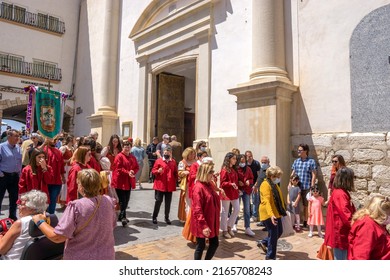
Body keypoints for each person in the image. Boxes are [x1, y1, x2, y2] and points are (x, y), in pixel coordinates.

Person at [32, 169, 116, 260]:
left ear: (81, 187)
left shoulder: (76, 206)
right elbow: (111, 225)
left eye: (78, 183)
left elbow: (57, 237)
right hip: (107, 256)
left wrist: (40, 221)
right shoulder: (108, 201)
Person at [0, 190, 48, 260]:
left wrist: (1, 236)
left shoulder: (21, 223)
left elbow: (2, 249)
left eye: (22, 205)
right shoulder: (46, 219)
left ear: (31, 208)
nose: (18, 207)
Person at [324, 167, 356, 260]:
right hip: (340, 233)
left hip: (341, 231)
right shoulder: (340, 194)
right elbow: (346, 214)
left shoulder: (341, 192)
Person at [191, 161, 220, 260]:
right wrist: (203, 226)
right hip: (202, 222)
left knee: (214, 243)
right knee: (201, 246)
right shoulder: (198, 188)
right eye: (211, 171)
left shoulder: (209, 184)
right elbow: (197, 209)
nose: (213, 173)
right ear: (205, 172)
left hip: (211, 219)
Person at [348, 195, 390, 260]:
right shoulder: (367, 226)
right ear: (380, 213)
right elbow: (360, 256)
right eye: (388, 214)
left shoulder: (378, 223)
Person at [258, 166, 286, 260]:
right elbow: (266, 201)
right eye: (277, 176)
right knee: (273, 235)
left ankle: (264, 242)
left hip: (276, 213)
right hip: (268, 214)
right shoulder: (265, 185)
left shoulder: (274, 184)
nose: (278, 178)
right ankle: (270, 257)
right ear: (272, 176)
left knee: (279, 231)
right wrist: (271, 215)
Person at [111, 140, 139, 226]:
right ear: (122, 147)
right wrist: (128, 172)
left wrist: (132, 172)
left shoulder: (132, 157)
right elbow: (118, 168)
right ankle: (123, 217)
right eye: (125, 147)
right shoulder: (119, 156)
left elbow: (136, 167)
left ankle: (121, 216)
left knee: (126, 200)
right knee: (122, 200)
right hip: (120, 182)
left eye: (128, 147)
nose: (127, 148)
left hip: (128, 181)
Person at [291, 143, 317, 228]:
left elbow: (314, 175)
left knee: (306, 205)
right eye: (298, 150)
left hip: (306, 186)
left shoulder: (311, 161)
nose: (298, 151)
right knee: (295, 203)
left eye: (300, 150)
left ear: (305, 151)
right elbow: (293, 174)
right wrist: (289, 183)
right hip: (296, 187)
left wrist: (312, 187)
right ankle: (295, 221)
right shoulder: (296, 161)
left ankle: (306, 221)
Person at [151, 145, 178, 225]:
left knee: (168, 202)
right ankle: (154, 217)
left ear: (171, 153)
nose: (167, 153)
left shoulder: (173, 162)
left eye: (169, 152)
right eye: (166, 152)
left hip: (169, 185)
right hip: (160, 185)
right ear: (163, 152)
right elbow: (153, 171)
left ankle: (167, 217)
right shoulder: (158, 161)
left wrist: (178, 179)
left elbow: (175, 173)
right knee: (158, 201)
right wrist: (158, 171)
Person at [0, 129, 22, 220]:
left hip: (15, 176)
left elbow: (19, 162)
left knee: (14, 199)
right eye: (15, 136)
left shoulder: (18, 148)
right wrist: (0, 174)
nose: (18, 138)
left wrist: (19, 173)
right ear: (9, 137)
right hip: (3, 176)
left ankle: (12, 217)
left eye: (18, 136)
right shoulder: (1, 147)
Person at [40, 136, 65, 214]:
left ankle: (51, 217)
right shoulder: (44, 149)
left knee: (53, 199)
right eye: (53, 138)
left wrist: (63, 176)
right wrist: (44, 143)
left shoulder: (58, 151)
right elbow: (35, 152)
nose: (55, 141)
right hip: (45, 180)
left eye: (56, 139)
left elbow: (61, 165)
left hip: (56, 181)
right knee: (43, 200)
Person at [219, 152, 239, 239]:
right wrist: (231, 184)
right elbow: (222, 183)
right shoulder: (224, 170)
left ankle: (229, 226)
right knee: (225, 212)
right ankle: (224, 230)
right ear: (229, 159)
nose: (235, 160)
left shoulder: (234, 169)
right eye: (234, 158)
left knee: (237, 209)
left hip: (234, 193)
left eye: (235, 158)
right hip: (226, 193)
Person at [237, 154, 255, 236]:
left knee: (247, 209)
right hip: (238, 190)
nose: (242, 162)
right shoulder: (236, 169)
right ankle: (234, 224)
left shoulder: (248, 169)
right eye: (241, 160)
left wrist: (249, 181)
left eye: (243, 160)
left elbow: (252, 178)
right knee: (236, 209)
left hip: (246, 190)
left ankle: (247, 227)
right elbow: (233, 178)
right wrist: (238, 182)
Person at [177, 147, 196, 222]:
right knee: (188, 201)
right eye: (191, 154)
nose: (192, 155)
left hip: (195, 184)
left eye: (193, 154)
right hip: (187, 185)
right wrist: (185, 172)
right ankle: (188, 219)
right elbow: (179, 173)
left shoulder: (196, 162)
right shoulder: (183, 162)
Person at [253, 156, 270, 226]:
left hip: (267, 192)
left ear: (268, 162)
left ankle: (267, 222)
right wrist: (255, 185)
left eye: (264, 162)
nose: (263, 164)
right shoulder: (261, 169)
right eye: (262, 162)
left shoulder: (270, 170)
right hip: (260, 191)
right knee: (261, 206)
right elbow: (259, 178)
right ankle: (263, 221)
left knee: (267, 206)